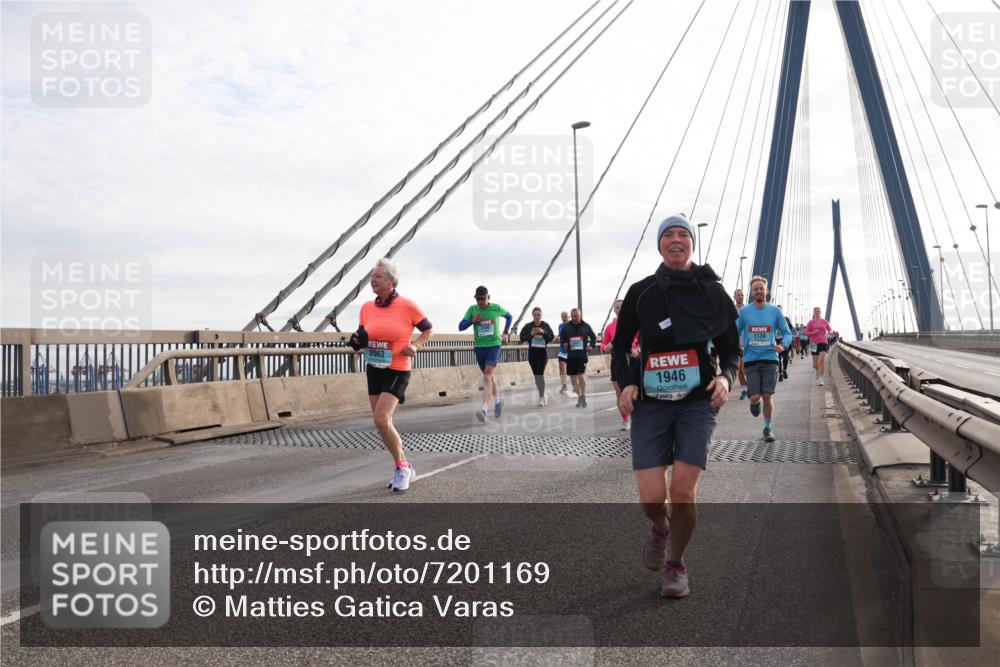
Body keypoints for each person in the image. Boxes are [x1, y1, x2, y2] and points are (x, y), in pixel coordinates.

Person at [615, 214, 739, 599]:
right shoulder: (642, 292)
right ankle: (660, 529)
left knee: (683, 491)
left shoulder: (711, 292)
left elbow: (731, 350)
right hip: (651, 402)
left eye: (682, 234)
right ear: (659, 245)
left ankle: (676, 564)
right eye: (668, 234)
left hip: (697, 401)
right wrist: (627, 382)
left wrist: (726, 378)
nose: (676, 239)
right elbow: (620, 346)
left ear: (691, 245)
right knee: (652, 498)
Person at [349, 258, 433, 493]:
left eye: (377, 277)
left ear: (391, 281)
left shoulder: (407, 306)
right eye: (372, 276)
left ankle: (401, 467)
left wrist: (415, 345)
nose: (372, 280)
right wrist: (357, 340)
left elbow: (428, 329)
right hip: (374, 367)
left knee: (381, 419)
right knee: (383, 423)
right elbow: (363, 333)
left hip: (398, 368)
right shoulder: (366, 307)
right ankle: (404, 462)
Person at [736, 276, 793, 443]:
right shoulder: (744, 312)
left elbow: (787, 333)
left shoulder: (775, 311)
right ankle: (754, 401)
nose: (759, 291)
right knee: (755, 397)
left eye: (761, 288)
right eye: (756, 289)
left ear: (766, 291)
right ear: (752, 292)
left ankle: (767, 428)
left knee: (767, 395)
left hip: (770, 358)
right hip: (751, 359)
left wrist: (783, 345)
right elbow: (734, 331)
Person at [459, 286, 511, 421]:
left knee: (487, 376)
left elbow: (509, 316)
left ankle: (485, 409)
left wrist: (505, 332)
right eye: (478, 299)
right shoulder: (473, 309)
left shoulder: (496, 308)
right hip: (479, 347)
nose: (480, 301)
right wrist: (472, 321)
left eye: (482, 298)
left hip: (494, 345)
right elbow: (460, 326)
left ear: (489, 297)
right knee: (490, 377)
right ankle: (498, 401)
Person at [601, 299, 640, 430]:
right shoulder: (610, 327)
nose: (619, 309)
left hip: (634, 359)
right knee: (619, 392)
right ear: (614, 310)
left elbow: (643, 339)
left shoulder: (635, 323)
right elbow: (603, 344)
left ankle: (638, 417)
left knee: (636, 390)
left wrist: (637, 349)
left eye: (622, 307)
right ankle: (626, 419)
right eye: (617, 307)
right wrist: (606, 347)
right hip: (617, 359)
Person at [560, 308, 597, 408]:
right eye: (572, 316)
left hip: (582, 355)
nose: (574, 318)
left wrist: (591, 346)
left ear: (580, 315)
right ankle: (579, 396)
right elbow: (562, 338)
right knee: (573, 378)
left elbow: (594, 337)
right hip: (571, 356)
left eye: (576, 316)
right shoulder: (566, 327)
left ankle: (583, 395)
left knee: (581, 376)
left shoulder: (586, 326)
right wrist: (564, 343)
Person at [518, 307, 555, 406]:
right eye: (535, 315)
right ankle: (543, 393)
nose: (537, 316)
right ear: (533, 316)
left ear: (541, 315)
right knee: (536, 377)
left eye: (539, 314)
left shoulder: (545, 325)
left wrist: (543, 332)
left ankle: (541, 397)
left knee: (540, 375)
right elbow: (521, 338)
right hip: (532, 354)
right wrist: (531, 334)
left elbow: (551, 337)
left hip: (542, 354)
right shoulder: (528, 326)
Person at [804, 307, 833, 385]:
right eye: (815, 311)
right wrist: (814, 332)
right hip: (813, 343)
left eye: (818, 311)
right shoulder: (811, 322)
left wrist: (830, 332)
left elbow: (830, 329)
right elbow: (805, 333)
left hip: (823, 342)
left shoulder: (824, 321)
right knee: (815, 364)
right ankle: (817, 370)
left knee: (821, 361)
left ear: (820, 312)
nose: (817, 312)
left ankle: (821, 379)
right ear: (813, 313)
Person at [733, 288, 748, 399]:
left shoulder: (748, 310)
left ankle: (750, 384)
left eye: (742, 295)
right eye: (738, 295)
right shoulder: (730, 310)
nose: (740, 297)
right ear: (735, 297)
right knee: (740, 368)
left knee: (748, 369)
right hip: (736, 343)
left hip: (748, 343)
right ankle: (744, 390)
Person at [557, 311, 570, 394]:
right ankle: (564, 385)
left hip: (571, 350)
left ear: (569, 317)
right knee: (561, 367)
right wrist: (557, 337)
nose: (564, 318)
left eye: (565, 316)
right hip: (562, 350)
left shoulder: (572, 325)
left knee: (572, 369)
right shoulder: (560, 326)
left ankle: (576, 384)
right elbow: (560, 335)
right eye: (562, 317)